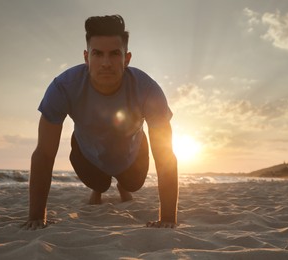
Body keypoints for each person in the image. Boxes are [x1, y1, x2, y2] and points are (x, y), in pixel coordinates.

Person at [22, 15, 178, 229]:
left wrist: (168, 219)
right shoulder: (63, 87)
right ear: (86, 57)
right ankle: (98, 188)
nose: (106, 63)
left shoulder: (148, 90)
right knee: (100, 184)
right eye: (98, 54)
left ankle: (122, 185)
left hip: (132, 152)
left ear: (127, 58)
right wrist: (36, 216)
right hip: (88, 152)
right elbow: (44, 153)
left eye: (115, 54)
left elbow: (165, 156)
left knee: (133, 184)